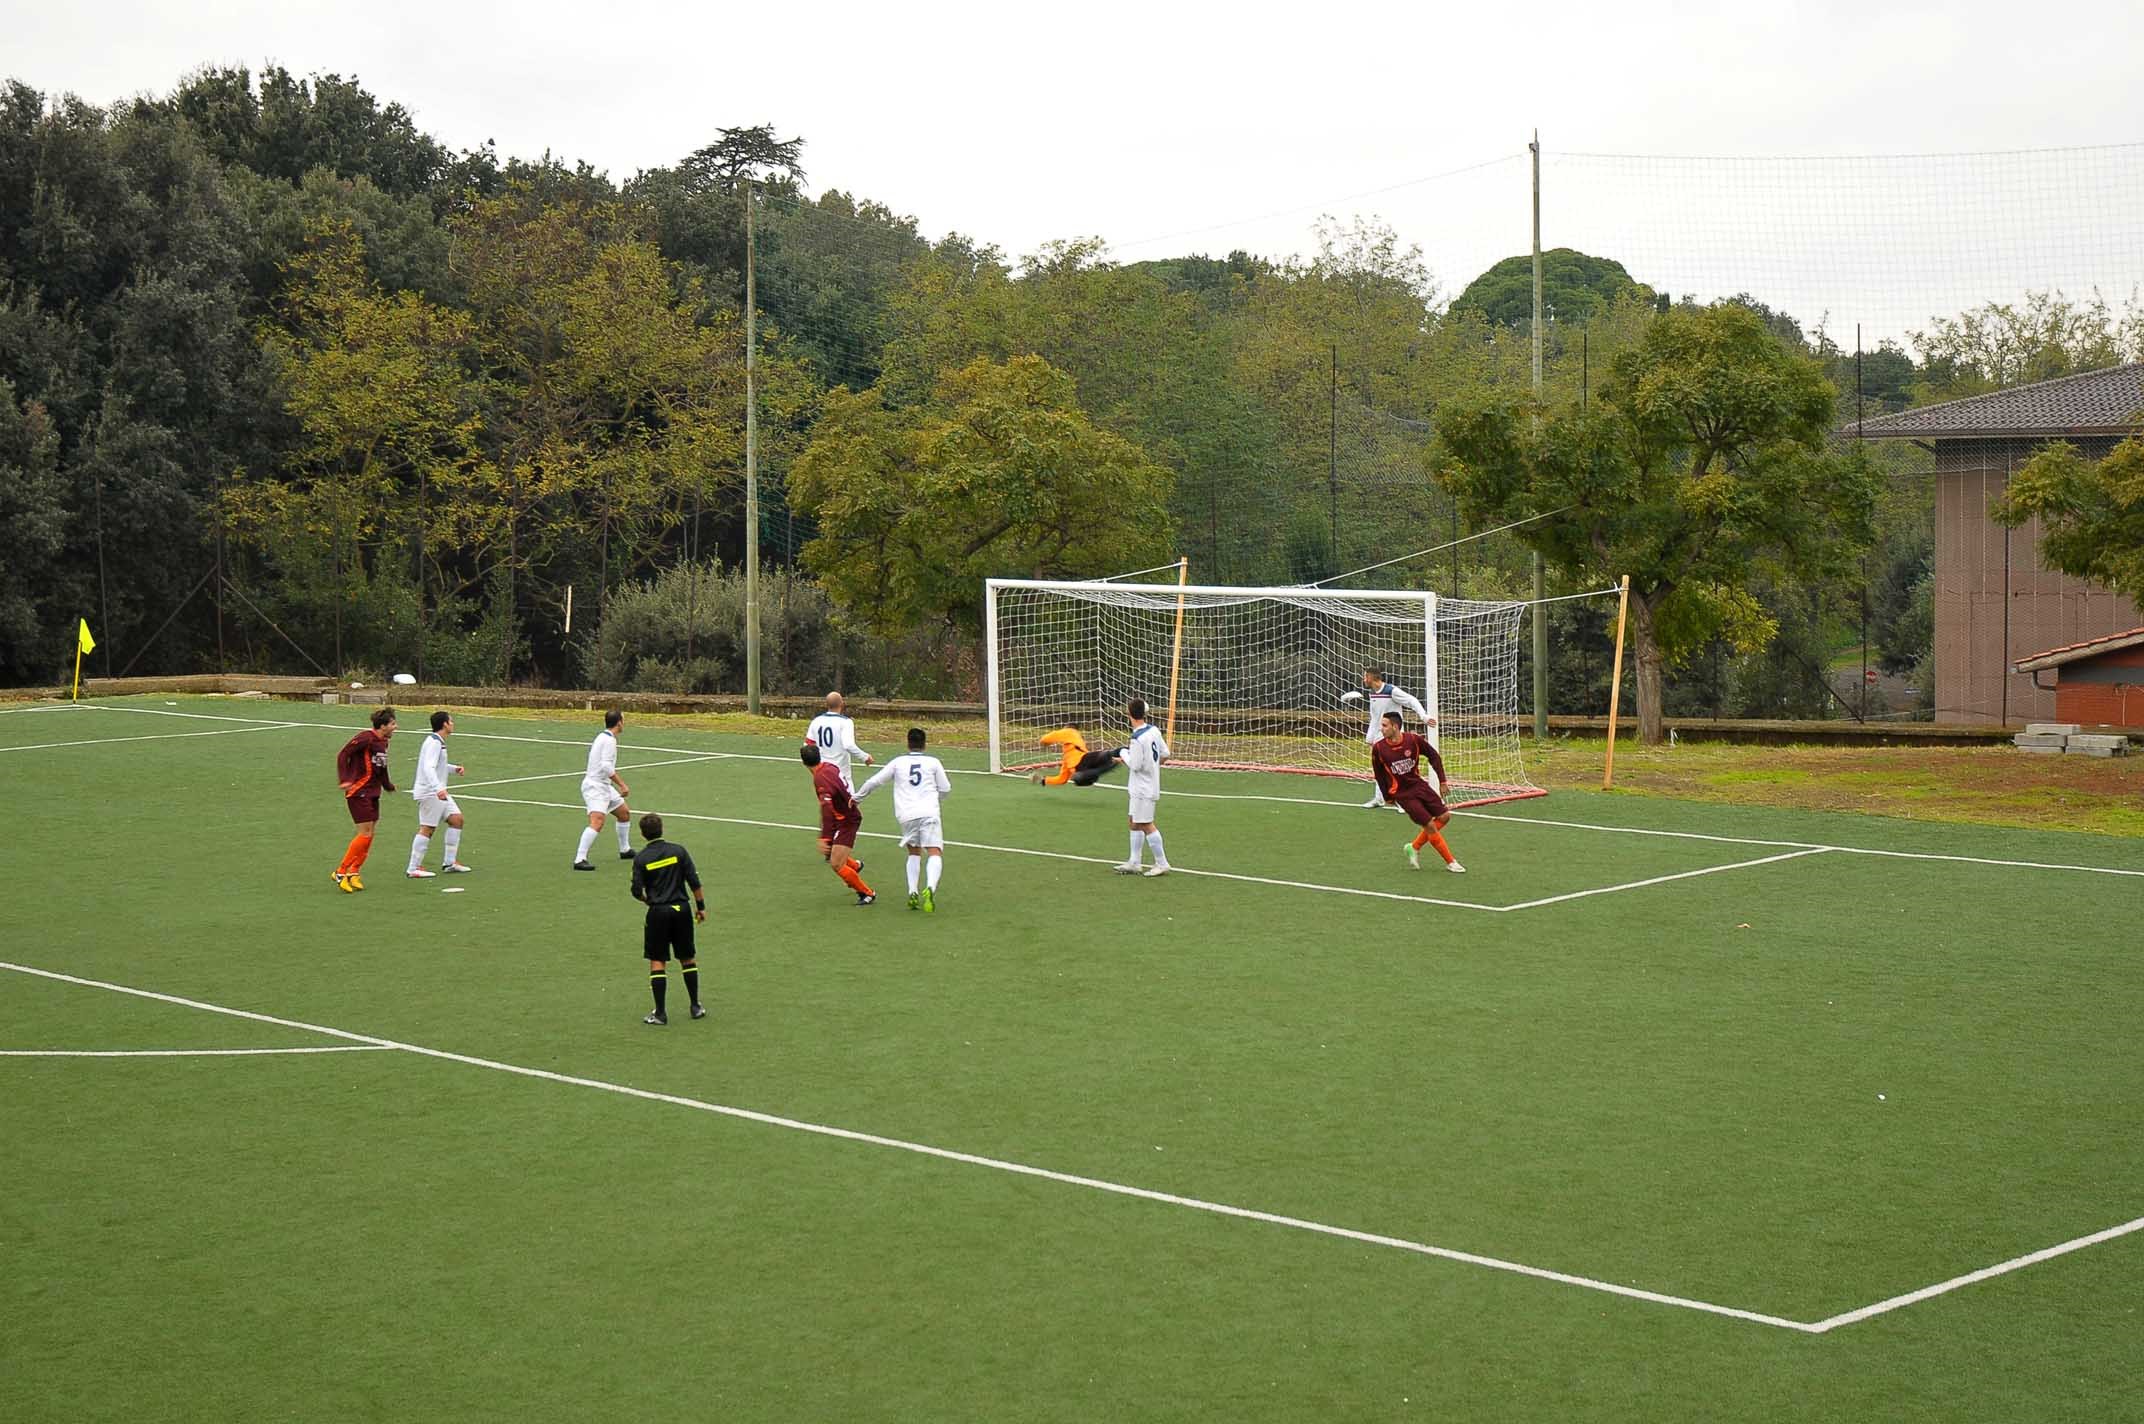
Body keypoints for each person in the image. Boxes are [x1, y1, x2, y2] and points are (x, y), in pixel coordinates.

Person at [856, 727, 953, 912]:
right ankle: (930, 887)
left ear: (908, 743)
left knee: (914, 853)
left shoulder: (898, 762)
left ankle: (912, 891)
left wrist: (857, 797)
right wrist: (934, 799)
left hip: (906, 815)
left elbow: (874, 782)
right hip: (929, 813)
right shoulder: (933, 762)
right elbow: (946, 788)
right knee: (934, 852)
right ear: (925, 744)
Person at [630, 813, 707, 1025]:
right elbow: (694, 881)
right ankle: (695, 1006)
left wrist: (649, 900)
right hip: (681, 910)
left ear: (643, 834)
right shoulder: (678, 851)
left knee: (658, 960)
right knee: (687, 958)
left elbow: (636, 891)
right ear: (662, 829)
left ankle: (661, 1013)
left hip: (658, 913)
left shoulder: (641, 858)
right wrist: (700, 908)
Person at [1370, 710, 1465, 873]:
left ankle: (1413, 847)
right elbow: (1379, 774)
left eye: (1384, 725)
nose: (1381, 729)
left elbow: (1433, 756)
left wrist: (1442, 781)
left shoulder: (1413, 740)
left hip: (1419, 786)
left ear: (1395, 726)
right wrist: (1387, 796)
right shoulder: (1379, 748)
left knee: (1445, 816)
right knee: (1429, 824)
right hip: (1402, 793)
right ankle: (1451, 862)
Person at [1340, 667, 1435, 809]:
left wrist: (1424, 716)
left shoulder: (1392, 691)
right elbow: (1375, 717)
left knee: (1398, 769)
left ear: (1372, 678)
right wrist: (1370, 736)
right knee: (1379, 768)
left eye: (1365, 676)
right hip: (1379, 736)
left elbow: (1412, 701)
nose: (1363, 679)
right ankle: (1379, 799)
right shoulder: (1372, 693)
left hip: (1394, 736)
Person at [332, 708, 397, 892]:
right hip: (358, 791)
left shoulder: (383, 743)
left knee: (369, 834)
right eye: (392, 724)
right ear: (383, 726)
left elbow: (381, 767)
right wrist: (344, 778)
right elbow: (343, 754)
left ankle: (354, 872)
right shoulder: (365, 738)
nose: (395, 727)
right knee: (365, 833)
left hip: (374, 792)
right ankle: (341, 871)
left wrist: (387, 785)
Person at [802, 742, 875, 905]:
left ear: (804, 763)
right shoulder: (829, 766)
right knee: (831, 853)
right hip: (844, 815)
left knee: (836, 863)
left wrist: (824, 837)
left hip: (847, 820)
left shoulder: (820, 779)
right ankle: (855, 866)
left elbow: (827, 810)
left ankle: (867, 893)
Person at [1110, 698, 1171, 877]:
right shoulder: (1154, 730)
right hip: (1143, 786)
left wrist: (1123, 753)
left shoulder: (1136, 739)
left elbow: (1135, 765)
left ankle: (1162, 862)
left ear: (1129, 714)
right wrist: (1153, 768)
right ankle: (1134, 862)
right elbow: (1165, 754)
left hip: (1143, 788)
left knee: (1145, 823)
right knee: (1133, 821)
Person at [406, 710, 469, 879]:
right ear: (445, 724)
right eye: (451, 721)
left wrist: (454, 768)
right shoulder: (434, 743)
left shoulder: (436, 741)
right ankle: (413, 868)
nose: (453, 724)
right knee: (428, 828)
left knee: (457, 819)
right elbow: (428, 767)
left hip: (437, 791)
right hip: (430, 792)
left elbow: (437, 764)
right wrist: (437, 788)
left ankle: (449, 862)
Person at [573, 710, 633, 871]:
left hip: (604, 786)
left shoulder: (604, 737)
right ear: (619, 722)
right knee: (597, 821)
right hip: (595, 787)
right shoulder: (608, 741)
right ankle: (580, 859)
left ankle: (625, 850)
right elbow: (606, 766)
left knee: (624, 813)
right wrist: (622, 785)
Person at [804, 691, 874, 789]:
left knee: (827, 803)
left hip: (823, 775)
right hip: (841, 777)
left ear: (826, 705)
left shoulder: (816, 721)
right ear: (842, 704)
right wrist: (865, 757)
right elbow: (848, 745)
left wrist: (815, 771)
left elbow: (807, 748)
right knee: (849, 804)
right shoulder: (845, 722)